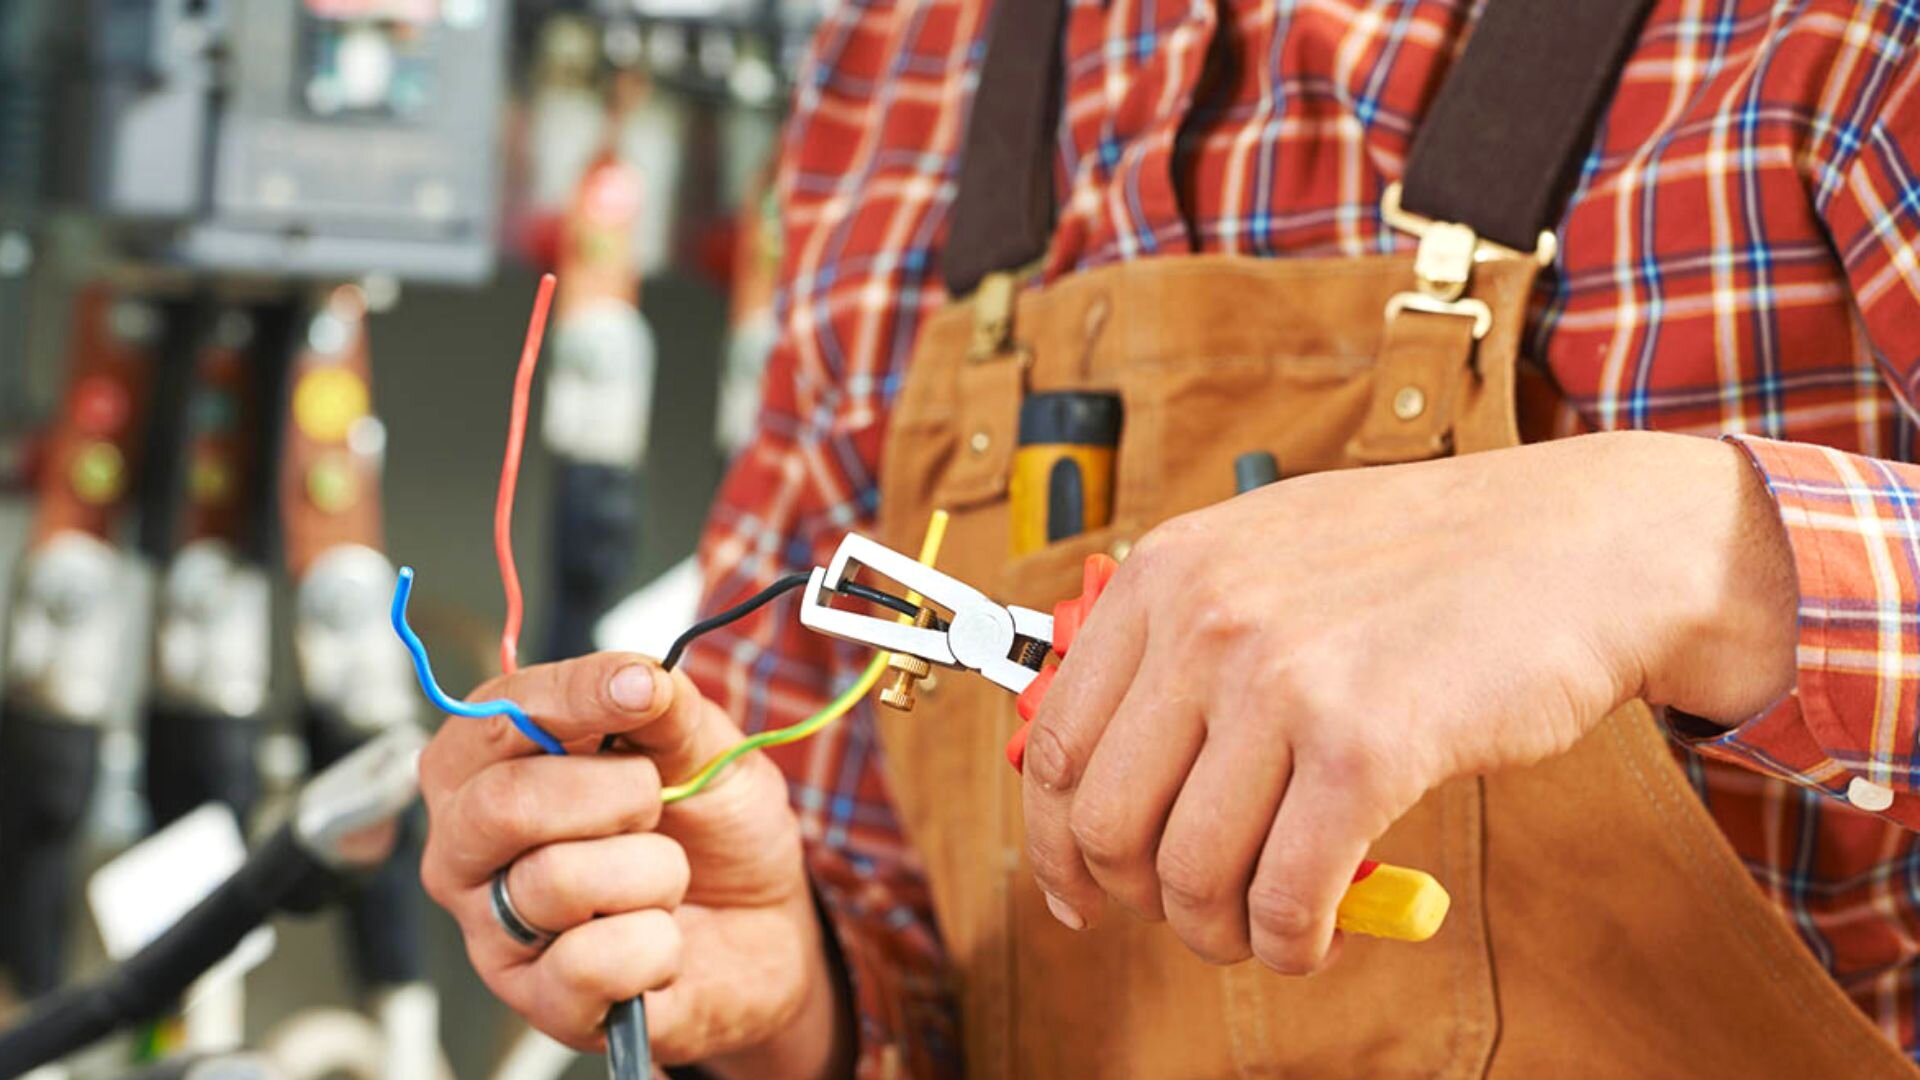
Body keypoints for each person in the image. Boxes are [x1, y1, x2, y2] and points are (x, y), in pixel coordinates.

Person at [420, 2, 1920, 1074]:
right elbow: (914, 960)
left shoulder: (1831, 33)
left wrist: (1687, 554)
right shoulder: (906, 63)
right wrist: (794, 1001)